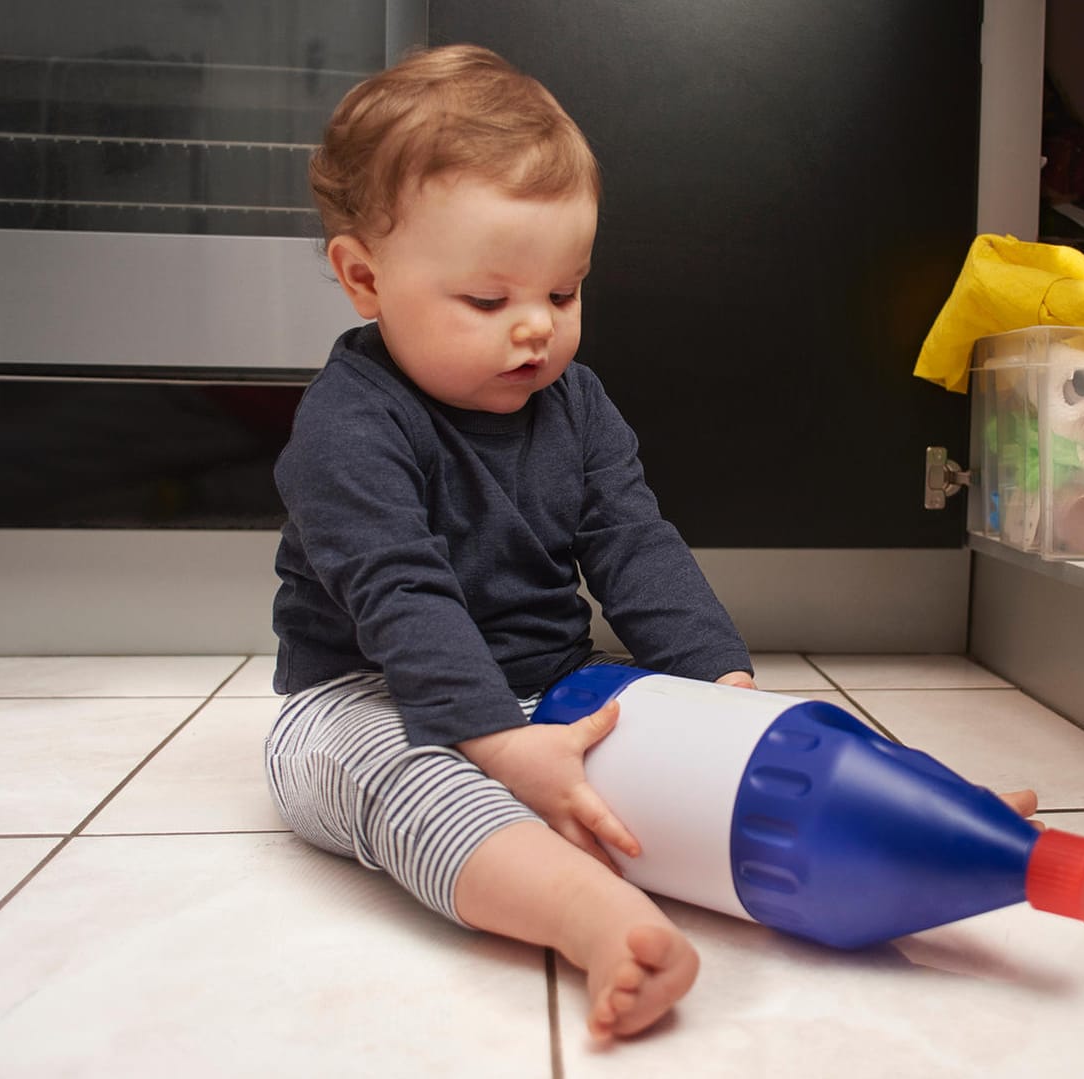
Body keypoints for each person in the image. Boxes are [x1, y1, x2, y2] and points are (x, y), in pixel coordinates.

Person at [261, 44, 1044, 1040]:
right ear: (364, 278)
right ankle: (592, 917)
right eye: (490, 301)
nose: (536, 330)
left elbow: (637, 546)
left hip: (550, 680)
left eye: (564, 290)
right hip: (363, 695)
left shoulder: (573, 402)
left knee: (702, 736)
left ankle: (920, 810)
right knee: (423, 783)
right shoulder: (350, 427)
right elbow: (401, 592)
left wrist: (721, 696)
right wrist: (498, 746)